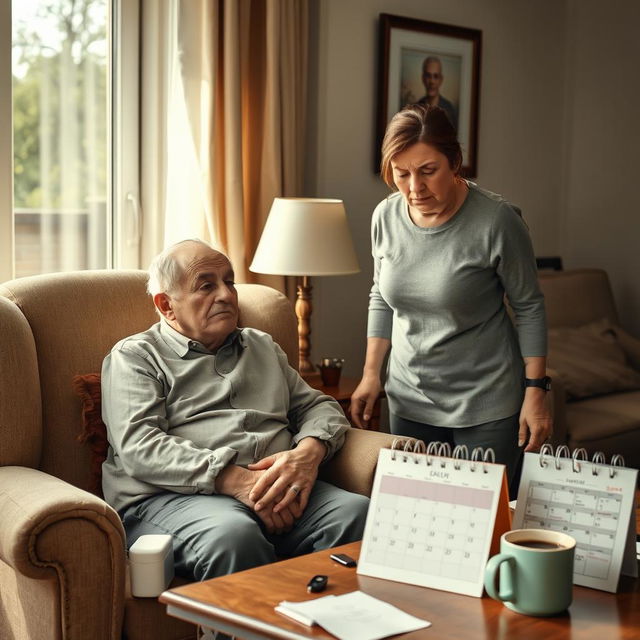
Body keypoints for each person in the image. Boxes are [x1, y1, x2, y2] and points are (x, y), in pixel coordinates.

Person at [101, 239, 369, 584]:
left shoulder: (260, 345)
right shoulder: (136, 357)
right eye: (206, 285)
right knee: (233, 537)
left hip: (277, 487)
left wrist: (306, 456)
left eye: (229, 281)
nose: (226, 294)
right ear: (167, 305)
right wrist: (241, 482)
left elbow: (318, 406)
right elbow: (141, 447)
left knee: (356, 514)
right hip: (172, 497)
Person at [350, 104, 552, 492]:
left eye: (428, 171)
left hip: (487, 404)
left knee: (484, 526)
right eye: (401, 173)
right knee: (419, 519)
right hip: (408, 399)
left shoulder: (497, 221)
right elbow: (381, 296)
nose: (414, 188)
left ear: (455, 162)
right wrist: (371, 375)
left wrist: (536, 393)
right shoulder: (385, 217)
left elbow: (529, 307)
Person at [417, 56, 458, 131]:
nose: (432, 81)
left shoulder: (449, 110)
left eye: (436, 76)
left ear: (441, 79)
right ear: (423, 78)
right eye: (428, 76)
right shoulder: (416, 109)